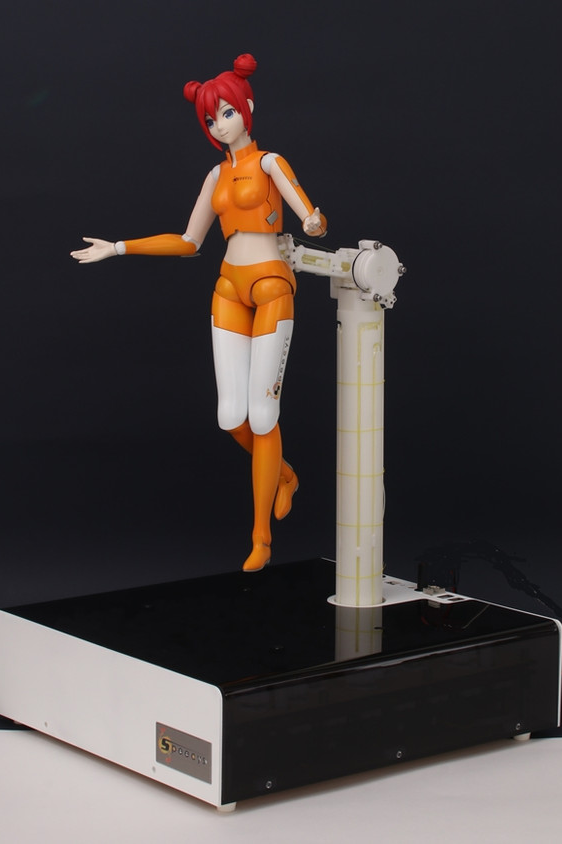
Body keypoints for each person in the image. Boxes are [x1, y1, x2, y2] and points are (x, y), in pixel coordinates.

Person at [71, 53, 327, 572]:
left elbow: (307, 211)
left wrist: (314, 223)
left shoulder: (270, 163)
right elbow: (189, 241)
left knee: (264, 414)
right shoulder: (215, 176)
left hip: (272, 284)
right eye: (210, 119)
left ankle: (261, 538)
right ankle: (283, 473)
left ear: (247, 107)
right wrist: (118, 247)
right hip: (229, 286)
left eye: (226, 113)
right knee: (230, 416)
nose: (220, 125)